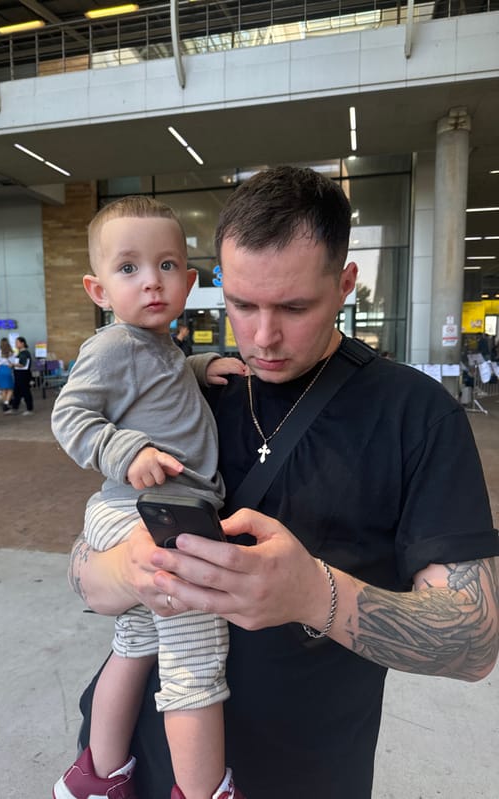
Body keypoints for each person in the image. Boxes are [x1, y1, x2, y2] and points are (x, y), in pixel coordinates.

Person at [70, 166, 499, 799]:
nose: (264, 337)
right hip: (137, 762)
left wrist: (313, 594)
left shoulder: (415, 413)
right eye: (242, 304)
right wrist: (131, 572)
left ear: (345, 283)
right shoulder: (187, 388)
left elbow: (473, 643)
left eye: (295, 307)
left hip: (307, 774)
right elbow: (82, 571)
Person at [51, 196, 247, 799]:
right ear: (98, 289)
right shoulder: (113, 346)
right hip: (139, 510)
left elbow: (160, 377)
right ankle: (202, 790)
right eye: (129, 268)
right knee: (195, 650)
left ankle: (96, 776)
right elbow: (69, 415)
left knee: (135, 642)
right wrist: (126, 452)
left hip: (152, 510)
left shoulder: (162, 347)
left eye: (167, 266)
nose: (152, 282)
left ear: (190, 280)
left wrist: (201, 366)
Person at [9, 336, 34, 415]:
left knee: (25, 391)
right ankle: (15, 407)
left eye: (17, 342)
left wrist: (13, 365)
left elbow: (23, 364)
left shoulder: (25, 353)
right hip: (18, 375)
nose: (16, 344)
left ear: (22, 343)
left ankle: (29, 409)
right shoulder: (19, 353)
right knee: (17, 392)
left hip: (23, 375)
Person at [0, 337, 15, 412]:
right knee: (10, 388)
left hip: (1, 370)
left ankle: (4, 403)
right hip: (8, 370)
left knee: (3, 389)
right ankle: (7, 402)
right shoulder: (11, 352)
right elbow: (12, 363)